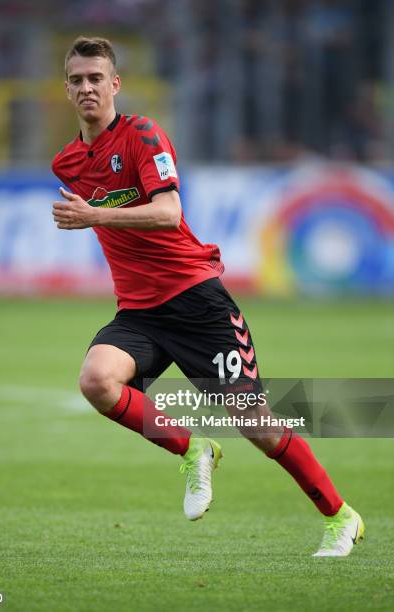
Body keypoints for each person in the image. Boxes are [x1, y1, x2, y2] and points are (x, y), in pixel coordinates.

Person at [51, 36, 364, 557]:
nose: (87, 88)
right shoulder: (67, 163)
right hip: (140, 311)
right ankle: (194, 446)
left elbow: (170, 212)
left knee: (258, 426)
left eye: (96, 78)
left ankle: (341, 517)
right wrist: (94, 218)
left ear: (115, 84)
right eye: (78, 80)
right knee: (98, 381)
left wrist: (96, 215)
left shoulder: (143, 136)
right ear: (66, 89)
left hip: (197, 302)